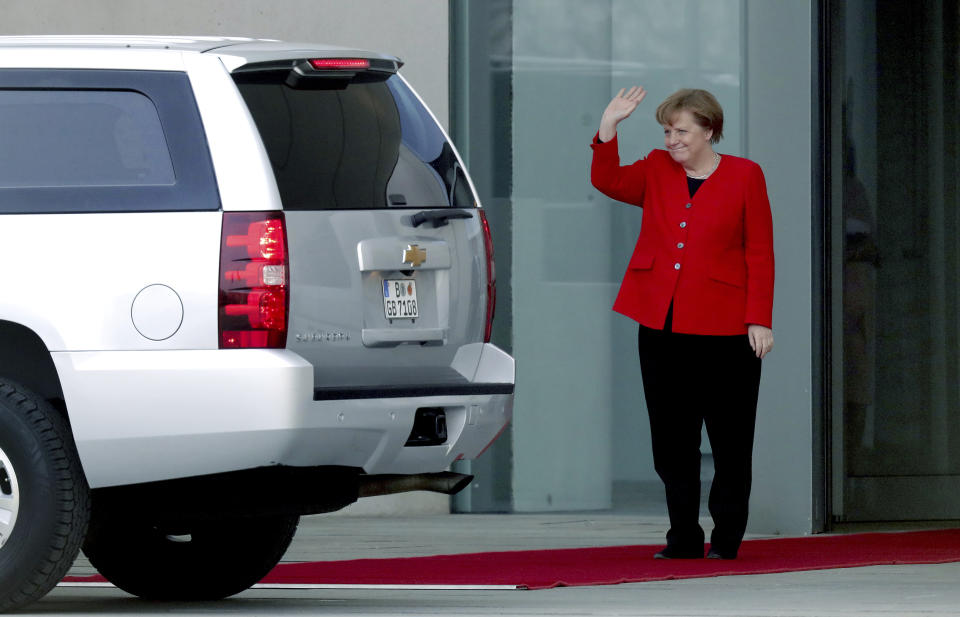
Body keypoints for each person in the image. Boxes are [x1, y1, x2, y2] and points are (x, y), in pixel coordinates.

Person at [590, 87, 774, 560]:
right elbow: (608, 180)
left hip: (729, 329)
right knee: (672, 442)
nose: (672, 140)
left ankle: (727, 536)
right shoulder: (655, 168)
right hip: (661, 325)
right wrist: (609, 125)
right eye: (667, 130)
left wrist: (759, 318)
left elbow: (760, 251)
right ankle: (684, 537)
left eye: (682, 131)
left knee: (731, 442)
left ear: (710, 130)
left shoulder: (745, 175)